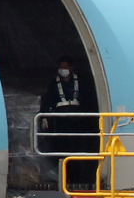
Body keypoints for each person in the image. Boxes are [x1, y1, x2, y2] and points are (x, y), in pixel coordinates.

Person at [40, 56, 98, 186]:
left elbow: (89, 100)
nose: (63, 70)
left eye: (65, 67)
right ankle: (65, 179)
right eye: (61, 67)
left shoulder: (81, 82)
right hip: (61, 121)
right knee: (62, 149)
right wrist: (45, 117)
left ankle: (79, 179)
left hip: (77, 120)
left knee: (77, 149)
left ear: (71, 68)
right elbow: (47, 100)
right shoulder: (53, 83)